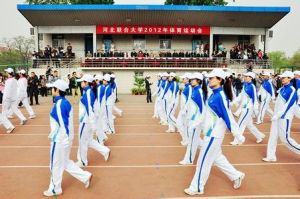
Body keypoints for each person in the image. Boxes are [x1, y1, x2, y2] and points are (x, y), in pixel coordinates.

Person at [184, 68, 245, 196]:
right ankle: (236, 175)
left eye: (212, 78)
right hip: (210, 134)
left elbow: (228, 116)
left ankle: (197, 187)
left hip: (213, 135)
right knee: (217, 158)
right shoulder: (213, 94)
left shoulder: (221, 96)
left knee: (202, 162)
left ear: (220, 80)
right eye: (209, 78)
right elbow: (205, 113)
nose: (209, 80)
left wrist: (237, 134)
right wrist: (195, 124)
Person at [43, 79, 92, 197]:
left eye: (53, 88)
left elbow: (63, 123)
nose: (51, 90)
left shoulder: (60, 104)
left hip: (60, 139)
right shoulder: (65, 102)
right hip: (65, 138)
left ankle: (55, 188)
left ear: (57, 90)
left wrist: (64, 141)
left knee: (54, 164)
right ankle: (85, 176)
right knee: (65, 162)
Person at [262, 71, 300, 162]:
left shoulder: (292, 90)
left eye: (284, 77)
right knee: (272, 136)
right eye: (282, 77)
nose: (282, 79)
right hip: (276, 117)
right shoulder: (282, 88)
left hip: (284, 118)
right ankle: (271, 156)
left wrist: (278, 115)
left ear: (290, 79)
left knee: (285, 139)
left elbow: (288, 106)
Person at [76, 74, 110, 167]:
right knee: (89, 140)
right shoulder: (89, 91)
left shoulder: (88, 93)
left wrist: (92, 123)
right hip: (88, 121)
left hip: (86, 121)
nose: (81, 83)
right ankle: (105, 150)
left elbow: (89, 109)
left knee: (82, 141)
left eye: (82, 81)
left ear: (86, 83)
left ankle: (82, 161)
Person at [179, 72, 206, 165]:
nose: (191, 81)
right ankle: (210, 152)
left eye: (193, 79)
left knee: (192, 141)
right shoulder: (194, 90)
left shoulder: (199, 91)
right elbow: (190, 104)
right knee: (196, 140)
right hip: (191, 120)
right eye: (190, 79)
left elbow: (203, 108)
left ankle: (189, 159)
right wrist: (186, 113)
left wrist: (197, 122)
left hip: (195, 121)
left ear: (198, 81)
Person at [231, 72, 265, 145]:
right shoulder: (245, 85)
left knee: (240, 124)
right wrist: (234, 102)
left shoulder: (252, 86)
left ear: (251, 78)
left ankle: (237, 140)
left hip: (248, 108)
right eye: (245, 76)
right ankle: (259, 136)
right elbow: (241, 95)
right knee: (249, 125)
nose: (245, 77)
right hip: (244, 108)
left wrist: (255, 110)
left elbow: (255, 98)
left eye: (247, 76)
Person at [176, 73, 192, 146]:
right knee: (179, 124)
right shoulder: (186, 87)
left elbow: (189, 99)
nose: (182, 79)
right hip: (183, 110)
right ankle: (186, 139)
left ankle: (187, 140)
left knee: (185, 125)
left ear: (187, 79)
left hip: (186, 110)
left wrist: (185, 109)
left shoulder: (189, 87)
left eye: (183, 78)